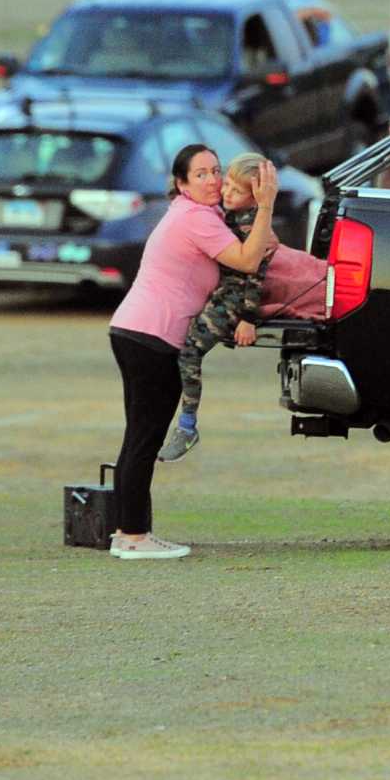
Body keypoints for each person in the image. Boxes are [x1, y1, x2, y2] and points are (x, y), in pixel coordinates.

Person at [105, 145, 276, 559]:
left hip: (136, 330)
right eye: (200, 174)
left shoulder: (202, 214)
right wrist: (267, 204)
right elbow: (248, 260)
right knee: (145, 437)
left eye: (216, 171)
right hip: (151, 336)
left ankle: (129, 531)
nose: (213, 180)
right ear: (181, 184)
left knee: (137, 437)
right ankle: (133, 535)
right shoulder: (196, 218)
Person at [159, 153, 330, 462]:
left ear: (255, 198)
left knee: (188, 352)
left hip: (234, 300)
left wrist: (247, 319)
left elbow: (254, 279)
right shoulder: (230, 213)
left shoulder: (255, 227)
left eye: (236, 192)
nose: (226, 194)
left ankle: (187, 424)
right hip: (221, 291)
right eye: (227, 186)